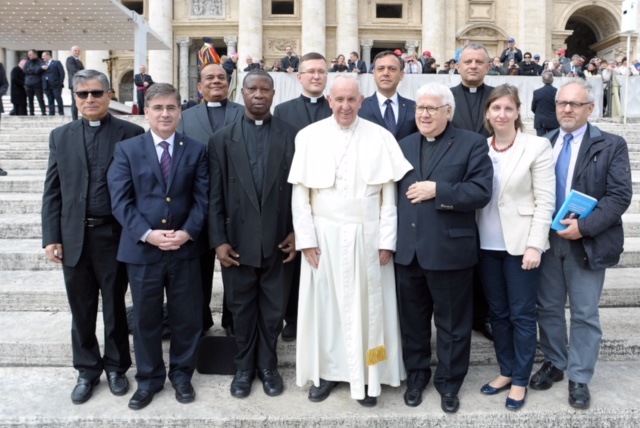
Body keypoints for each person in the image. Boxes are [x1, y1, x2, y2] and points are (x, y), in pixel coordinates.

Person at [289, 74, 411, 407]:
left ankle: (372, 373)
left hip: (369, 236)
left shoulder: (381, 136)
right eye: (339, 100)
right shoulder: (308, 136)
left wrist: (387, 240)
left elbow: (390, 196)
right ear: (329, 100)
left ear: (361, 101)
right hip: (323, 237)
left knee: (371, 309)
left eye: (351, 100)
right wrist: (306, 240)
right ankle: (327, 373)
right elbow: (300, 195)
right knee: (326, 307)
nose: (345, 106)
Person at [41, 69, 144, 405]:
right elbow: (52, 191)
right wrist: (50, 236)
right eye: (82, 94)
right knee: (81, 309)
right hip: (74, 237)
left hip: (114, 236)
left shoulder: (130, 133)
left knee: (115, 306)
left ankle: (116, 367)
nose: (89, 100)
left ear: (109, 95)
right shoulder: (61, 135)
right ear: (74, 97)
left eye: (96, 93)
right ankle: (87, 370)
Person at [530, 78, 632, 410]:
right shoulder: (544, 143)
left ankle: (580, 376)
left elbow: (619, 196)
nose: (567, 109)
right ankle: (556, 363)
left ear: (589, 108)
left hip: (586, 243)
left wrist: (583, 227)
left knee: (585, 313)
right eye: (562, 103)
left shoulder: (611, 144)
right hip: (548, 241)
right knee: (547, 308)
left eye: (575, 104)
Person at [108, 83, 208, 410]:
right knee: (146, 319)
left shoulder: (196, 149)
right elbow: (121, 201)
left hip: (185, 250)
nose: (165, 114)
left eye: (171, 108)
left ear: (180, 111)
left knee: (186, 318)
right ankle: (149, 379)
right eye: (158, 108)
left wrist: (188, 232)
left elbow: (203, 198)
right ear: (146, 111)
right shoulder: (127, 149)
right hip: (143, 251)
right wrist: (147, 234)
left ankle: (181, 376)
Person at [395, 82, 493, 413]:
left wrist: (440, 190)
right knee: (413, 323)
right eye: (420, 108)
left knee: (452, 325)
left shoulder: (472, 144)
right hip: (408, 251)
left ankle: (449, 384)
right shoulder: (403, 144)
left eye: (431, 108)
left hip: (449, 251)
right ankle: (417, 377)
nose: (423, 114)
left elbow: (481, 192)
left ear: (447, 111)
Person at [209, 70, 297, 399]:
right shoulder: (221, 140)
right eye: (252, 89)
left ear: (274, 94)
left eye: (265, 89)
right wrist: (218, 240)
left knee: (274, 310)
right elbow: (214, 196)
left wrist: (296, 232)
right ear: (240, 93)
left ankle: (268, 366)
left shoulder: (291, 135)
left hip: (278, 240)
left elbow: (300, 193)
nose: (258, 95)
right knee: (242, 309)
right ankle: (244, 368)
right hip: (237, 243)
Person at [477, 84, 555, 411]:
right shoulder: (480, 148)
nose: (502, 114)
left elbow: (545, 200)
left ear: (518, 112)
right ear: (487, 114)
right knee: (498, 314)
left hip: (522, 245)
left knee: (522, 314)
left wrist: (536, 245)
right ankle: (506, 370)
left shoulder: (536, 147)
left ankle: (521, 379)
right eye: (496, 109)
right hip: (485, 245)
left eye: (508, 108)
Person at [177, 63, 243, 334]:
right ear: (199, 86)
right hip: (197, 207)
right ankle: (200, 323)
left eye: (221, 77)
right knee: (197, 274)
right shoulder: (185, 117)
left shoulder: (244, 112)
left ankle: (233, 323)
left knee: (236, 270)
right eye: (209, 78)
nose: (216, 81)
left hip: (236, 208)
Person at [273, 52, 333, 342]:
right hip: (294, 192)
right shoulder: (283, 111)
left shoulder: (336, 107)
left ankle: (325, 316)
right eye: (310, 71)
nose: (316, 76)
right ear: (299, 77)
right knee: (294, 263)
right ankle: (294, 318)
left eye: (321, 71)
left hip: (328, 194)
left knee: (326, 258)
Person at [450, 42, 495, 341]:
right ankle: (462, 316)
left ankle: (484, 315)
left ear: (488, 66)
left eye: (479, 61)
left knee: (488, 254)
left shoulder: (499, 97)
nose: (473, 66)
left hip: (494, 185)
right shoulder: (446, 99)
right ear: (457, 65)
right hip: (457, 186)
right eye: (468, 61)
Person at [359, 50, 417, 141]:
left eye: (392, 69)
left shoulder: (414, 107)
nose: (386, 73)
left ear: (401, 75)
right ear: (374, 74)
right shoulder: (360, 107)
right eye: (380, 69)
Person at [531, 72, 561, 137]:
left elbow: (533, 108)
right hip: (553, 120)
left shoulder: (537, 92)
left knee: (541, 143)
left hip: (540, 121)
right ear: (552, 80)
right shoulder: (557, 92)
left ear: (542, 80)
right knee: (553, 142)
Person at [41, 51, 66, 116]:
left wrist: (60, 82)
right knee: (50, 100)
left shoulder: (56, 63)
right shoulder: (43, 64)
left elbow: (62, 73)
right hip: (47, 85)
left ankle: (61, 112)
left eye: (43, 56)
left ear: (48, 56)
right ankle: (51, 113)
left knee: (58, 98)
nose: (42, 57)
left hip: (56, 84)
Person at [24, 49, 46, 116]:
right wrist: (35, 70)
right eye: (28, 55)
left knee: (40, 99)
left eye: (30, 54)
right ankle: (31, 113)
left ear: (35, 54)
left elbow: (38, 71)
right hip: (28, 84)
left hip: (37, 84)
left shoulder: (40, 62)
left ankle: (43, 112)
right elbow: (25, 70)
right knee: (30, 100)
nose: (29, 56)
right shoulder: (27, 62)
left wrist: (32, 70)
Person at [66, 46, 84, 120]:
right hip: (74, 83)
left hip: (80, 83)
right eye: (75, 50)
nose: (77, 52)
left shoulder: (79, 61)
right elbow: (73, 70)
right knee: (74, 101)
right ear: (72, 51)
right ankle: (74, 119)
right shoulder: (70, 59)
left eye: (78, 51)